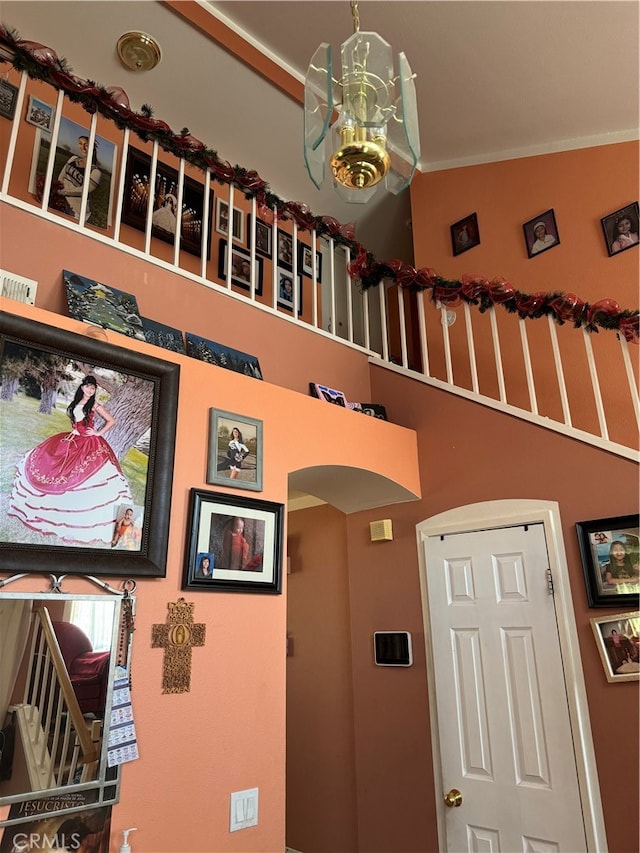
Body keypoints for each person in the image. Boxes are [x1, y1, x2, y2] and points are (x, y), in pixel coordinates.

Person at [9, 375, 132, 546]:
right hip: (72, 438)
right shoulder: (75, 404)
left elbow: (112, 421)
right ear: (82, 387)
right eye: (88, 386)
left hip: (89, 442)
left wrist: (97, 433)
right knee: (54, 464)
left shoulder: (95, 405)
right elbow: (75, 422)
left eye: (93, 388)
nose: (90, 390)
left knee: (87, 475)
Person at [58, 135, 102, 223]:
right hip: (63, 202)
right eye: (80, 143)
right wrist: (57, 189)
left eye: (86, 145)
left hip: (79, 214)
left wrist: (62, 192)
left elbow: (83, 191)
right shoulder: (73, 159)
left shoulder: (96, 172)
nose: (83, 148)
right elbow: (61, 177)